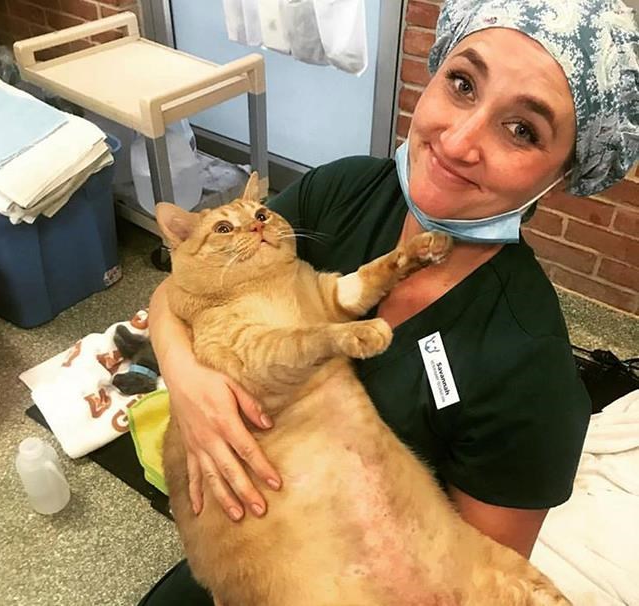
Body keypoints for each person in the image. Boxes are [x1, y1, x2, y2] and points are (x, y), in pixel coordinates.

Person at [139, 1, 638, 603]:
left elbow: (467, 588)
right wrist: (188, 383)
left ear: (564, 172)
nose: (459, 141)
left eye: (522, 130)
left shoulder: (530, 368)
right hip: (242, 555)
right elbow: (185, 288)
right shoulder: (346, 191)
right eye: (463, 84)